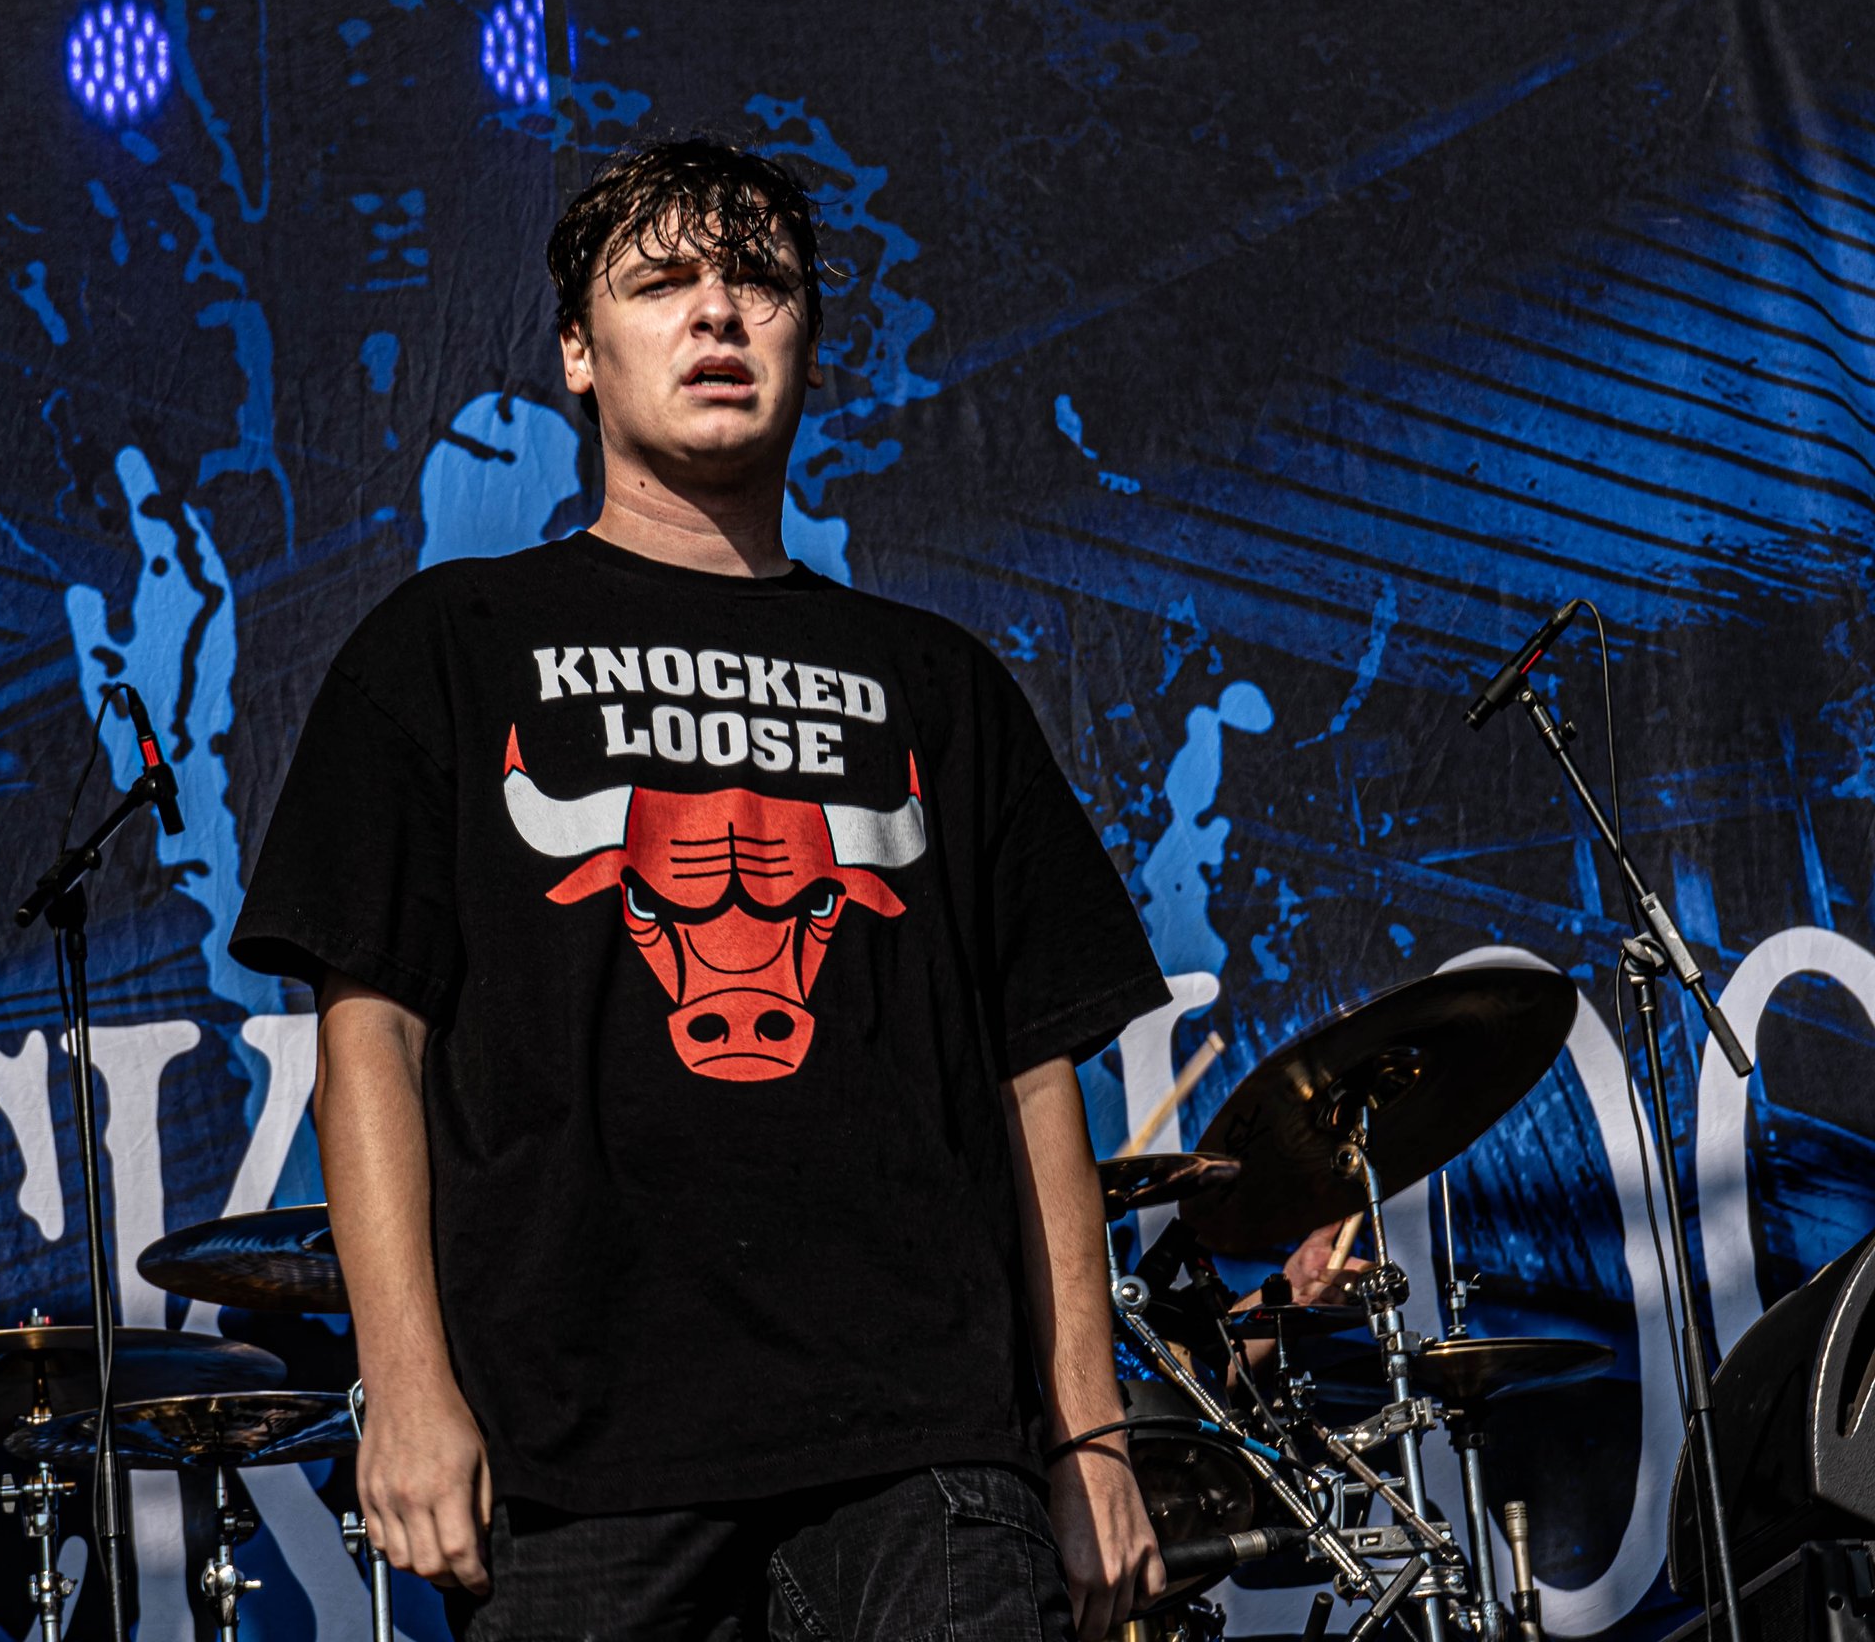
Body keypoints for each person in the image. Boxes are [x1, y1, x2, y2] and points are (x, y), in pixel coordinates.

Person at [232, 138, 1177, 1641]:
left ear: (810, 341)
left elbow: (1034, 1075)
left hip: (928, 1452)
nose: (718, 317)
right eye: (664, 283)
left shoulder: (939, 683)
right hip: (582, 1458)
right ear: (577, 357)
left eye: (760, 285)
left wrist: (1089, 1438)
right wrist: (406, 1386)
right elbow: (373, 1036)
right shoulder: (450, 645)